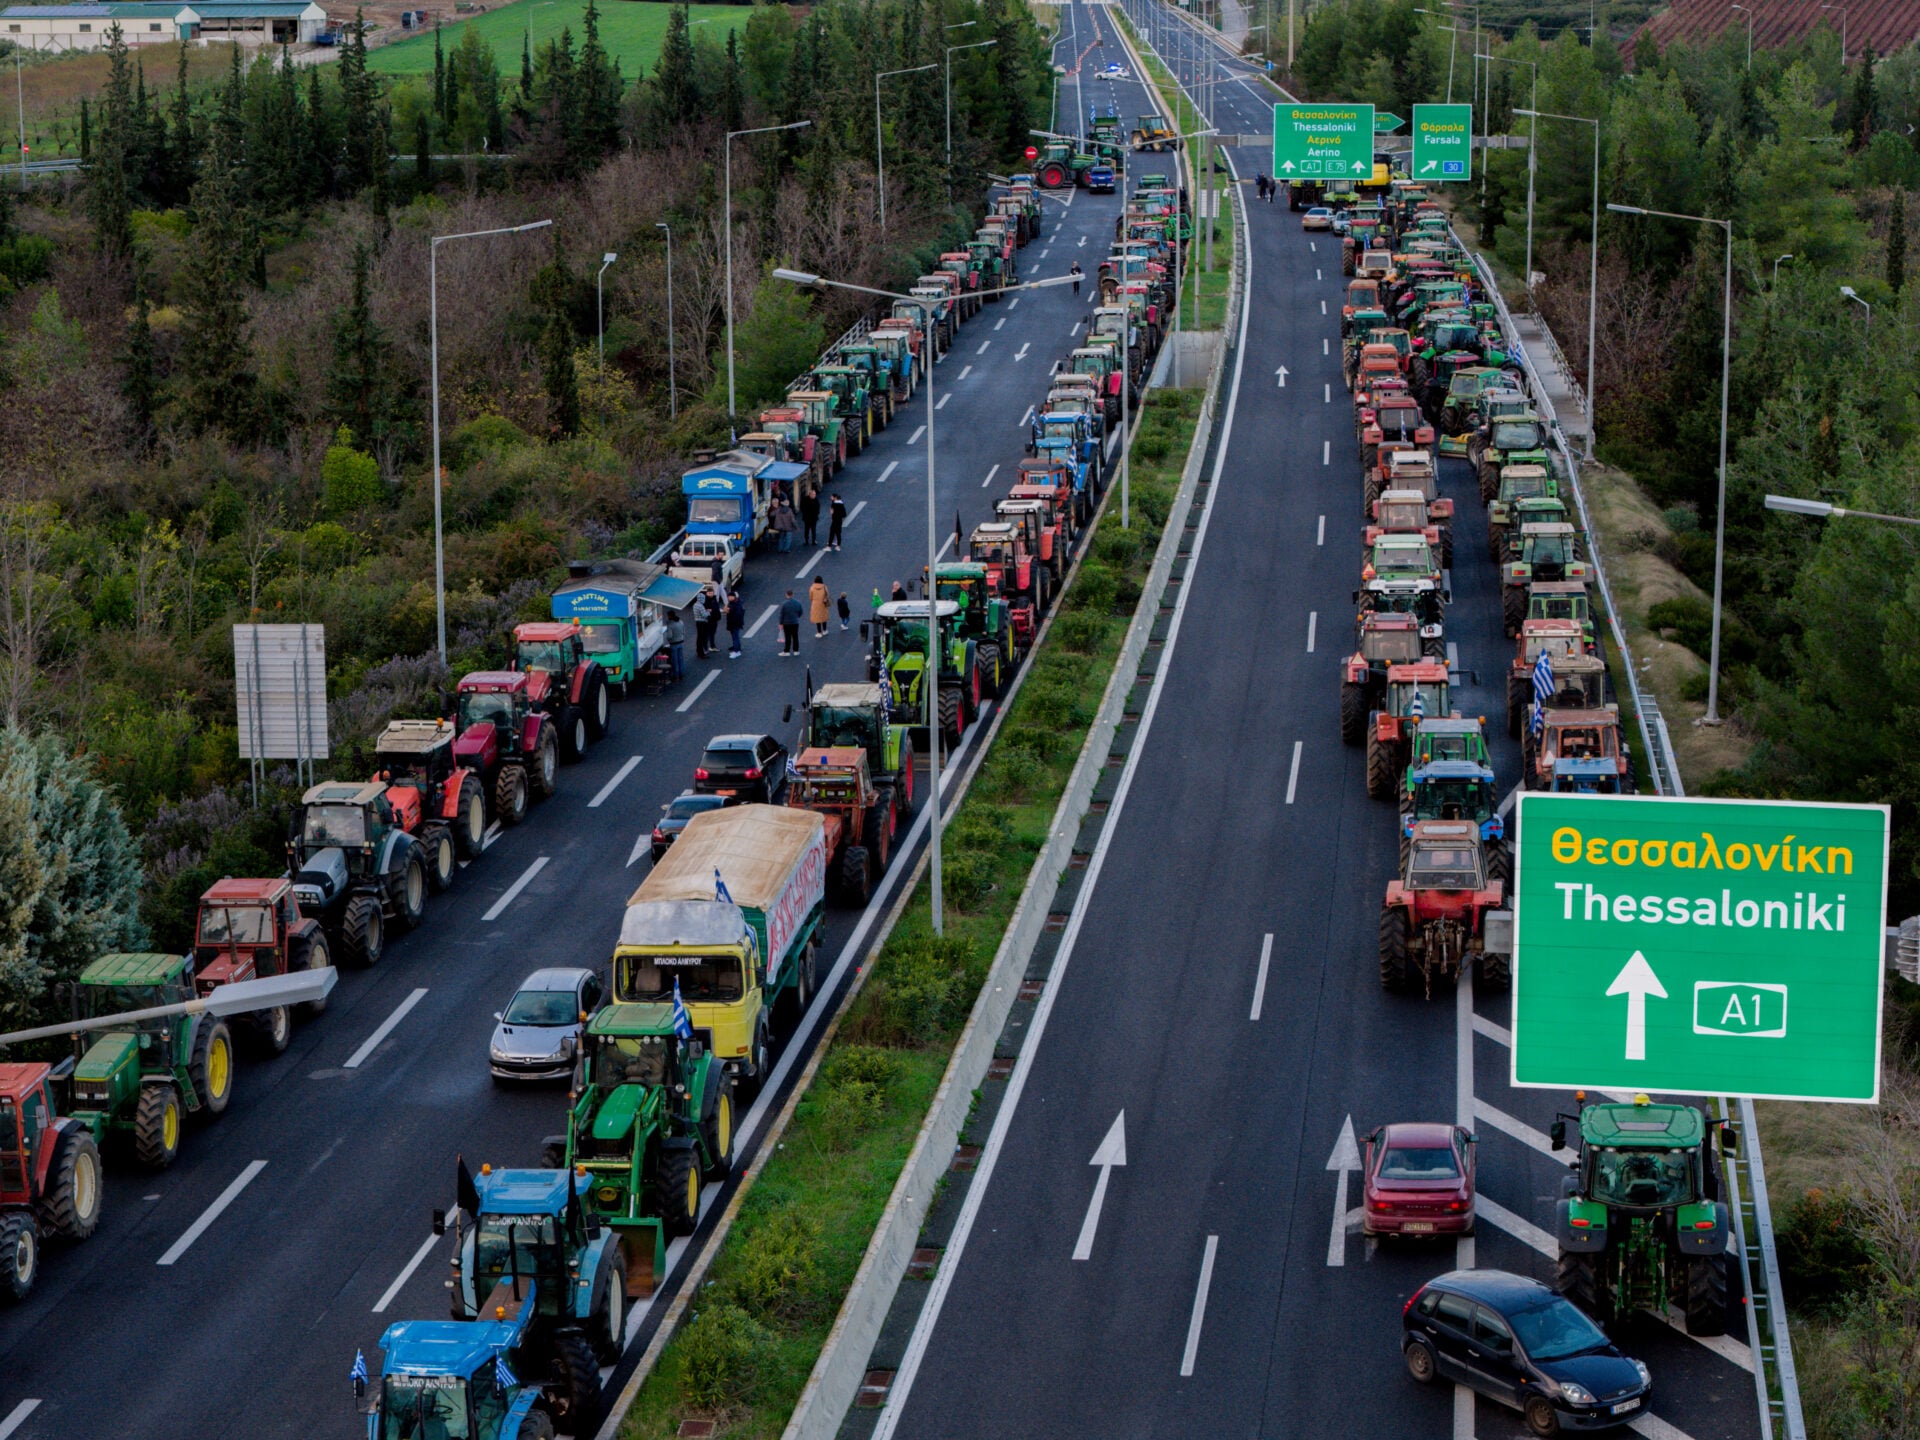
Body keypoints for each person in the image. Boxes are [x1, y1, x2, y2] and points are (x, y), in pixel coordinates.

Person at [695, 585, 719, 659]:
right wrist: (710, 611)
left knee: (712, 633)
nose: (710, 594)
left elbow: (716, 608)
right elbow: (704, 611)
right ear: (707, 593)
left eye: (712, 593)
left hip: (714, 618)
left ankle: (712, 646)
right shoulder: (704, 601)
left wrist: (713, 611)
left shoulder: (715, 599)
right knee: (706, 635)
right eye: (709, 593)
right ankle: (705, 648)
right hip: (708, 620)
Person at [778, 589, 803, 656]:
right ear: (792, 594)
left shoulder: (784, 604)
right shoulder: (797, 603)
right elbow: (800, 612)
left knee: (787, 637)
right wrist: (796, 617)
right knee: (795, 636)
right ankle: (796, 651)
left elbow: (782, 614)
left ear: (786, 595)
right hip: (795, 622)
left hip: (786, 623)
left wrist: (780, 623)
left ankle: (787, 651)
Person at [664, 609, 686, 680]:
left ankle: (676, 675)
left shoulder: (670, 625)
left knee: (675, 660)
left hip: (674, 644)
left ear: (669, 616)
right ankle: (682, 673)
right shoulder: (681, 622)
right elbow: (683, 631)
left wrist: (668, 639)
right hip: (681, 642)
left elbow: (669, 636)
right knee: (681, 659)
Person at [726, 590, 746, 659]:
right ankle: (737, 649)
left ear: (734, 597)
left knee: (735, 637)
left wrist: (729, 611)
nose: (730, 598)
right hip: (733, 623)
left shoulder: (736, 604)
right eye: (729, 597)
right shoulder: (733, 603)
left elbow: (737, 614)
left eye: (731, 597)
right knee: (734, 637)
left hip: (735, 623)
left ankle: (736, 651)